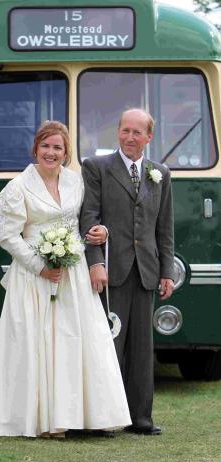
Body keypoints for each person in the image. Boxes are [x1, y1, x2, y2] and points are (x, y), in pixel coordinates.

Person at [0, 120, 131, 438]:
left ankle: (93, 416)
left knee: (78, 342)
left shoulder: (76, 182)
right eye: (46, 146)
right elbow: (8, 236)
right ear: (35, 148)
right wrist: (39, 265)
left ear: (66, 153)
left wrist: (100, 233)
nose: (51, 153)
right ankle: (48, 421)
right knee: (39, 345)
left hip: (74, 274)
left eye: (58, 147)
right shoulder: (18, 187)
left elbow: (87, 221)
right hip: (34, 279)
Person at [80, 108, 175, 436]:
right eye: (125, 131)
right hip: (111, 271)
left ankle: (141, 419)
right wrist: (96, 263)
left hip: (146, 272)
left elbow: (165, 229)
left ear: (149, 137)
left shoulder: (160, 172)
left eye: (137, 132)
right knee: (109, 346)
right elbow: (88, 218)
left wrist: (167, 272)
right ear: (117, 132)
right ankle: (106, 418)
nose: (130, 137)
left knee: (142, 350)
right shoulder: (96, 168)